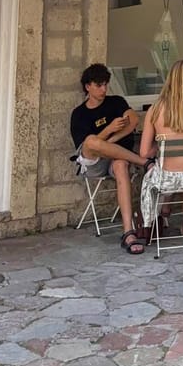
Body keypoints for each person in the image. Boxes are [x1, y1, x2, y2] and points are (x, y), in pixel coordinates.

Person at [69, 63, 152, 255]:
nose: (104, 89)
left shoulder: (116, 102)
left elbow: (133, 120)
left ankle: (128, 232)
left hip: (118, 157)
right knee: (91, 141)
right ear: (87, 86)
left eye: (106, 84)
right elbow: (89, 146)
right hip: (94, 163)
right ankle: (144, 162)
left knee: (121, 165)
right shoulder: (79, 114)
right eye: (99, 85)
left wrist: (112, 140)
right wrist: (109, 129)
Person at [138, 60, 183, 240]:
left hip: (166, 177)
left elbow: (144, 153)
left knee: (157, 172)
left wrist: (160, 145)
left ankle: (160, 211)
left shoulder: (154, 110)